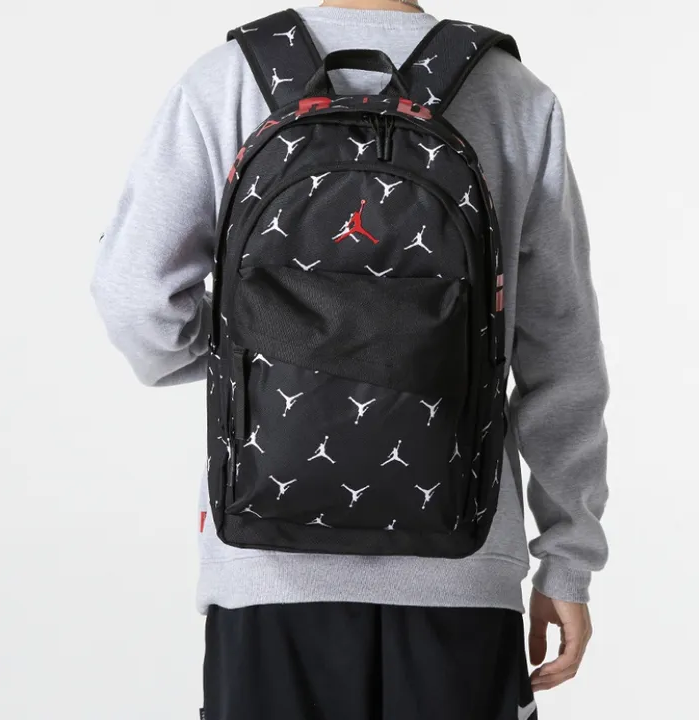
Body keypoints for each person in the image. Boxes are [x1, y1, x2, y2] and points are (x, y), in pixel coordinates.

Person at [91, 1, 610, 718]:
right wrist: (568, 559)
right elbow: (563, 352)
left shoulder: (227, 80)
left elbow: (135, 299)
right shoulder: (514, 96)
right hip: (461, 575)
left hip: (266, 572)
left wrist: (250, 357)